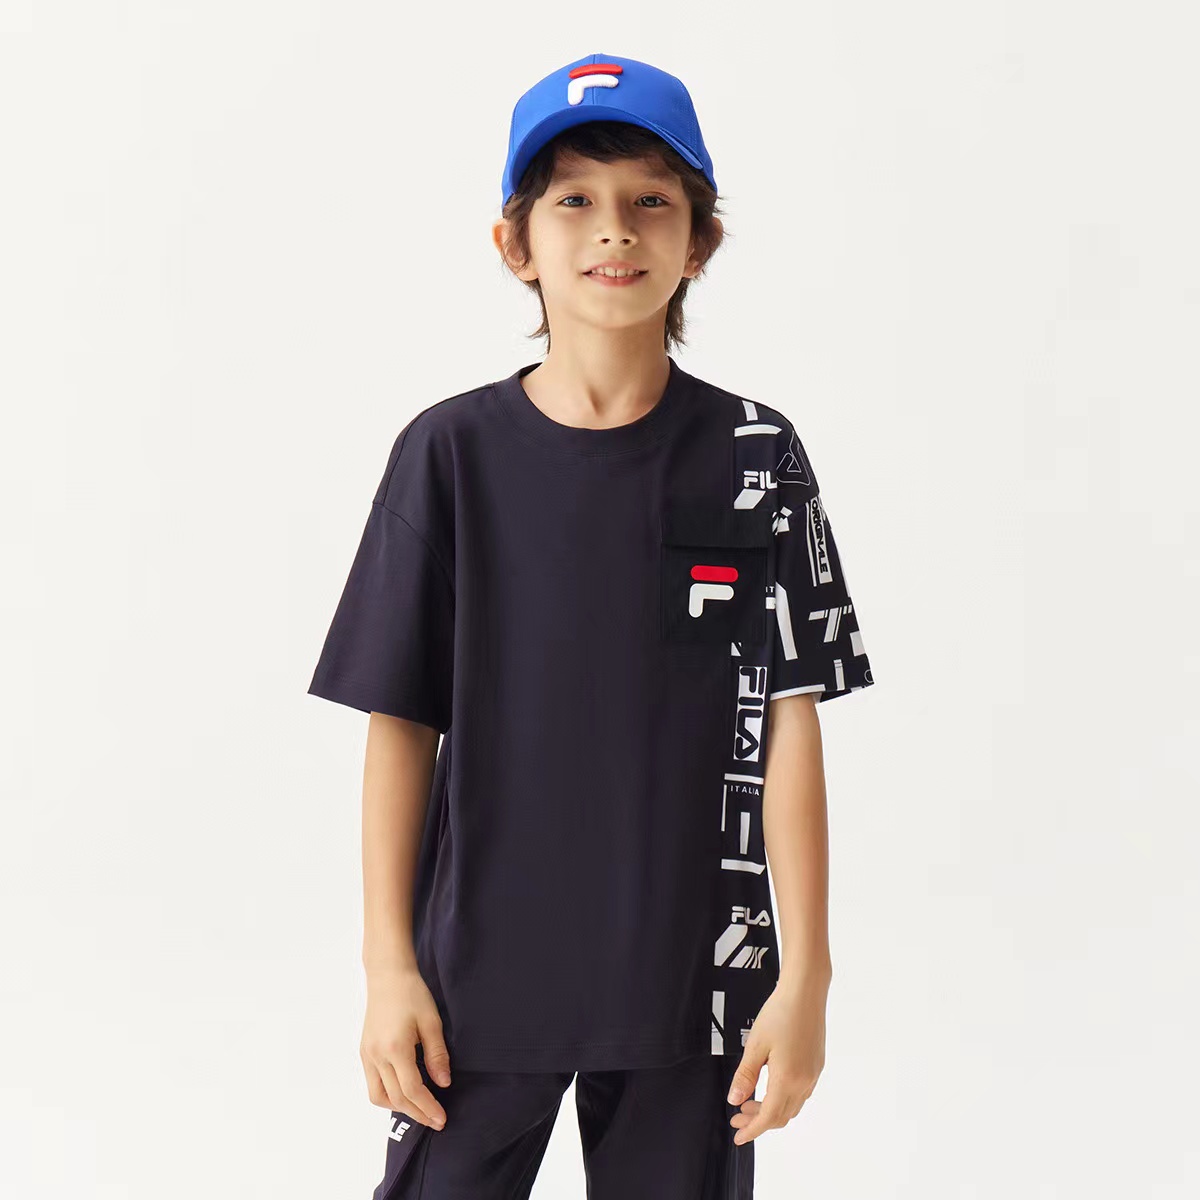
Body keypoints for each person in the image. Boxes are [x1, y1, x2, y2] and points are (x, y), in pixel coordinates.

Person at [307, 51, 876, 1200]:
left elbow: (789, 721)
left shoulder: (757, 457)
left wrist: (806, 973)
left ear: (700, 241)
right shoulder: (448, 457)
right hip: (477, 980)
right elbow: (400, 723)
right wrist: (387, 969)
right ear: (516, 243)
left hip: (696, 979)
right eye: (574, 199)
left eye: (651, 200)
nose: (614, 228)